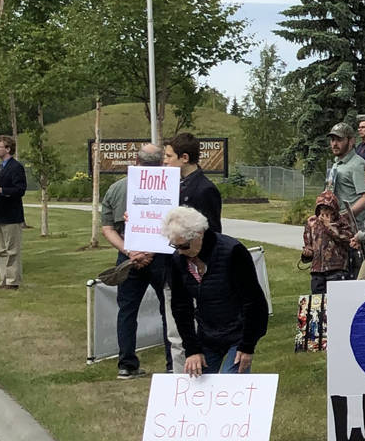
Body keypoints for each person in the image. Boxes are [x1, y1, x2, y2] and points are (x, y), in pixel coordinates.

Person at [162, 206, 268, 375]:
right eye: (175, 246)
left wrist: (247, 346)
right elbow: (181, 307)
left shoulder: (233, 251)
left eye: (184, 246)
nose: (180, 252)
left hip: (238, 332)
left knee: (230, 382)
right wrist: (192, 350)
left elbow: (253, 301)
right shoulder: (178, 260)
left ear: (199, 234)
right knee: (198, 385)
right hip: (208, 334)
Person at [99, 144, 173, 380]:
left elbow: (107, 228)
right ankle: (173, 363)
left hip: (129, 257)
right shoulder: (169, 186)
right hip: (161, 256)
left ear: (136, 161)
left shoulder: (116, 188)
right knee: (169, 309)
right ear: (161, 161)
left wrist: (130, 251)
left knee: (127, 311)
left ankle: (127, 365)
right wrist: (148, 251)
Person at [0, 134, 28, 289]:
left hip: (11, 214)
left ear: (8, 149)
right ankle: (4, 278)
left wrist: (1, 190)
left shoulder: (15, 167)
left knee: (12, 250)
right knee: (1, 250)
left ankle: (13, 281)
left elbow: (20, 189)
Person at [302, 190, 358, 292]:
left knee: (336, 302)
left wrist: (329, 227)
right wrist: (307, 253)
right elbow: (308, 244)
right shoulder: (312, 223)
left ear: (334, 209)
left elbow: (348, 241)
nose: (324, 212)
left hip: (336, 269)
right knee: (318, 303)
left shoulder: (342, 222)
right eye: (322, 208)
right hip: (317, 271)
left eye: (328, 208)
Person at [168, 131, 223, 235]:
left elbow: (213, 232)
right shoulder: (171, 185)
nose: (165, 161)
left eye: (169, 156)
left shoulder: (206, 190)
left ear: (184, 158)